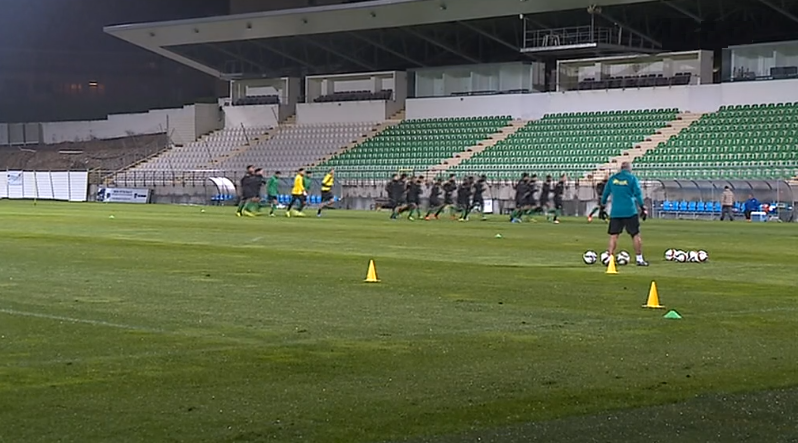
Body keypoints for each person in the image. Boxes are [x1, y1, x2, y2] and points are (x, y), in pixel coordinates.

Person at [599, 162, 648, 266]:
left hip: (616, 211)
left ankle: (610, 258)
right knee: (635, 235)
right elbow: (638, 194)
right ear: (629, 169)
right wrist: (643, 207)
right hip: (630, 211)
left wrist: (602, 207)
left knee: (613, 236)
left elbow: (605, 194)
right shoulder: (632, 179)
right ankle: (639, 259)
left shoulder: (612, 179)